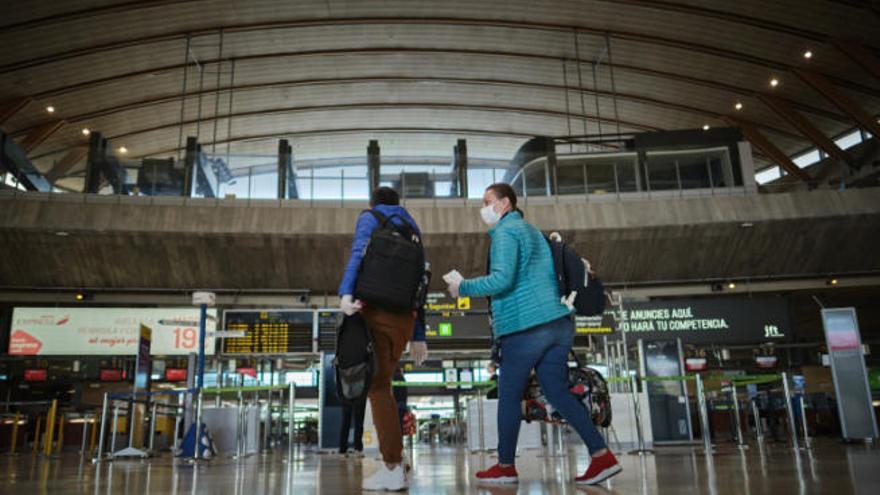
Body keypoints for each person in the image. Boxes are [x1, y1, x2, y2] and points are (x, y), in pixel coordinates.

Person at [444, 183, 621, 486]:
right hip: (559, 324)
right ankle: (601, 455)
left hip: (526, 327)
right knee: (556, 391)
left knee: (509, 397)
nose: (483, 208)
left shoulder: (505, 233)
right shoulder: (533, 232)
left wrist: (463, 288)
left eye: (487, 202)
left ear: (504, 204)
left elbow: (502, 280)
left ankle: (505, 467)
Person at [338, 186, 429, 491]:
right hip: (404, 318)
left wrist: (346, 293)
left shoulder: (370, 217)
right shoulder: (413, 228)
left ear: (374, 203)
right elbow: (421, 283)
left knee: (377, 387)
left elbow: (358, 252)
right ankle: (397, 465)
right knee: (382, 385)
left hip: (376, 312)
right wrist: (419, 335)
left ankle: (392, 465)